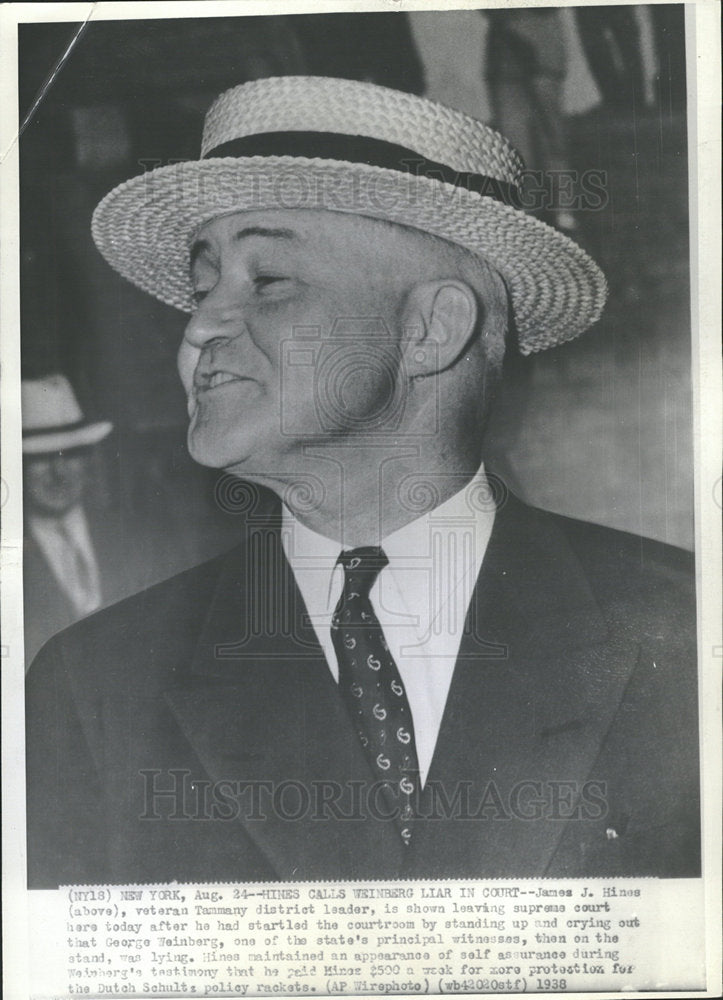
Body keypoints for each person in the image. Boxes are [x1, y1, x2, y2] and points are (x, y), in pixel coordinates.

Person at [26, 76, 699, 887]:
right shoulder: (95, 688)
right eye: (203, 288)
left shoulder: (689, 637)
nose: (199, 324)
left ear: (430, 329)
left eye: (267, 281)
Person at [22, 374, 112, 663]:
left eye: (70, 453)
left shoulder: (133, 533)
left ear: (87, 460)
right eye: (40, 457)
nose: (59, 472)